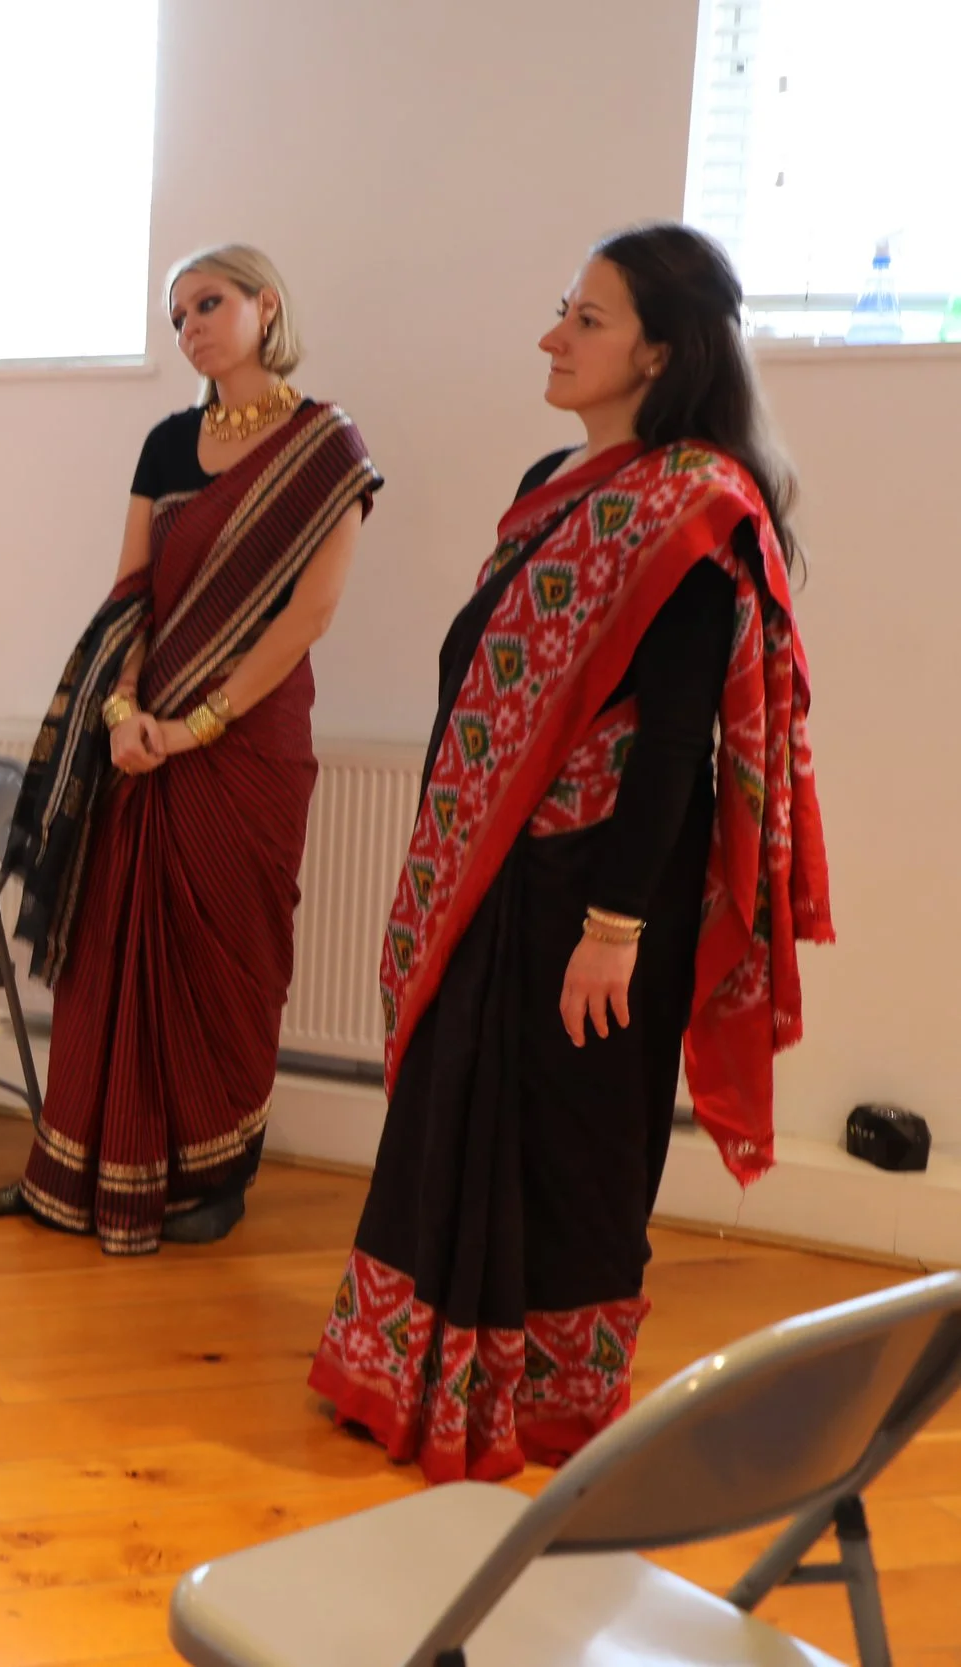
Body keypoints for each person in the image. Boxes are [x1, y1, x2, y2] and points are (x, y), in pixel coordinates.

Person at [308, 223, 832, 1483]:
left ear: (661, 348)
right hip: (493, 884)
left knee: (567, 1144)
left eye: (585, 319)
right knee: (447, 1116)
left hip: (595, 895)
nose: (554, 335)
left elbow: (670, 755)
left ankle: (534, 1401)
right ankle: (416, 1370)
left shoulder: (695, 510)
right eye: (563, 310)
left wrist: (612, 931)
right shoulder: (560, 478)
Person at [0, 245, 381, 1256]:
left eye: (209, 303)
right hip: (139, 736)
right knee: (108, 946)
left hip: (246, 743)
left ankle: (214, 1175)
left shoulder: (324, 448)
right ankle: (67, 1168)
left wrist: (200, 722)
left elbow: (309, 614)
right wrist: (120, 713)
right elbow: (133, 589)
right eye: (176, 316)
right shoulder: (164, 444)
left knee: (227, 951)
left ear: (264, 306)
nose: (191, 325)